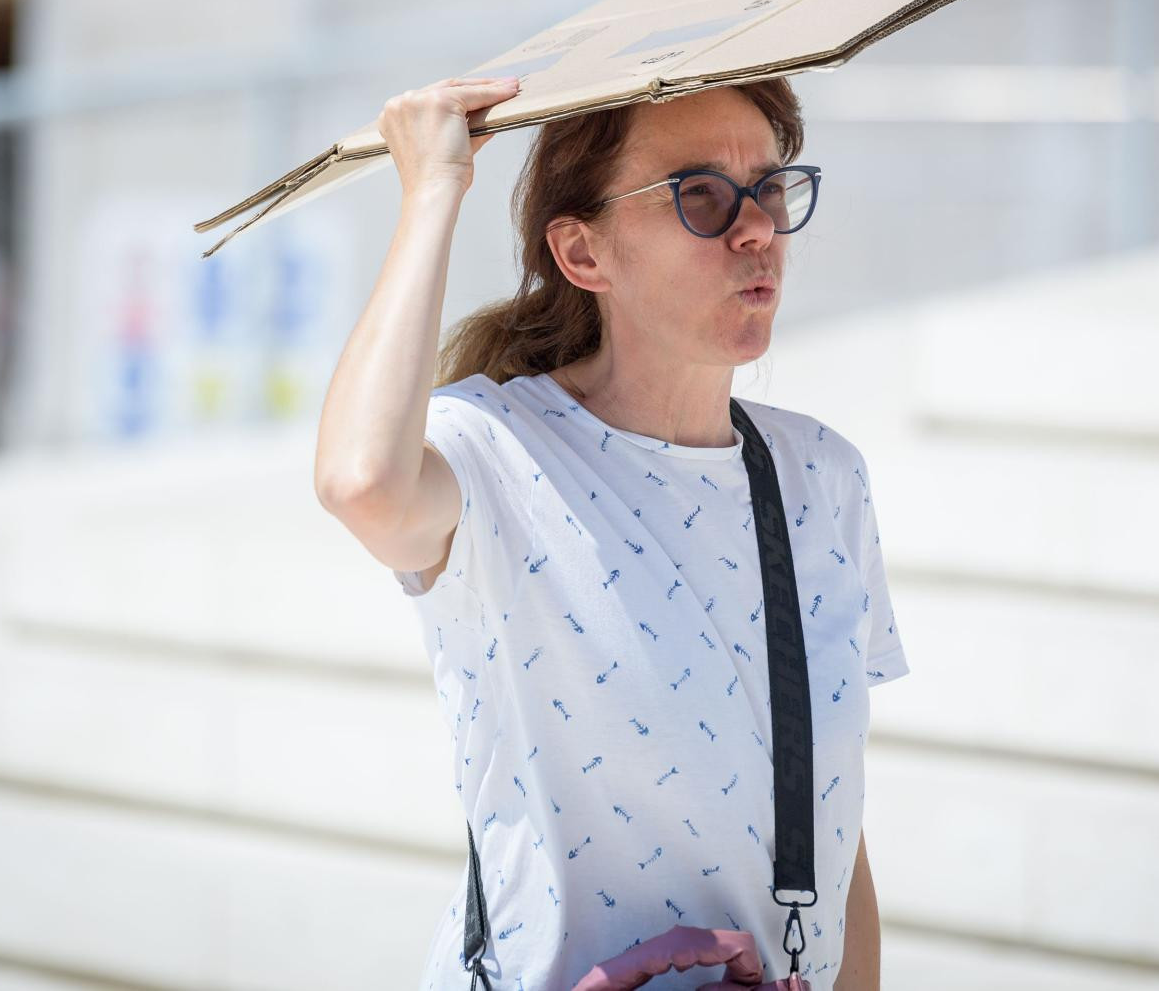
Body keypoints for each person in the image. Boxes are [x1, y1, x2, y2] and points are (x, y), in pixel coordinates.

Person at [316, 73, 909, 991]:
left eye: (769, 187)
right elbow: (363, 482)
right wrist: (433, 188)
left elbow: (837, 832)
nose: (757, 228)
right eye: (701, 195)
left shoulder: (824, 478)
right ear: (583, 252)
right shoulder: (496, 453)